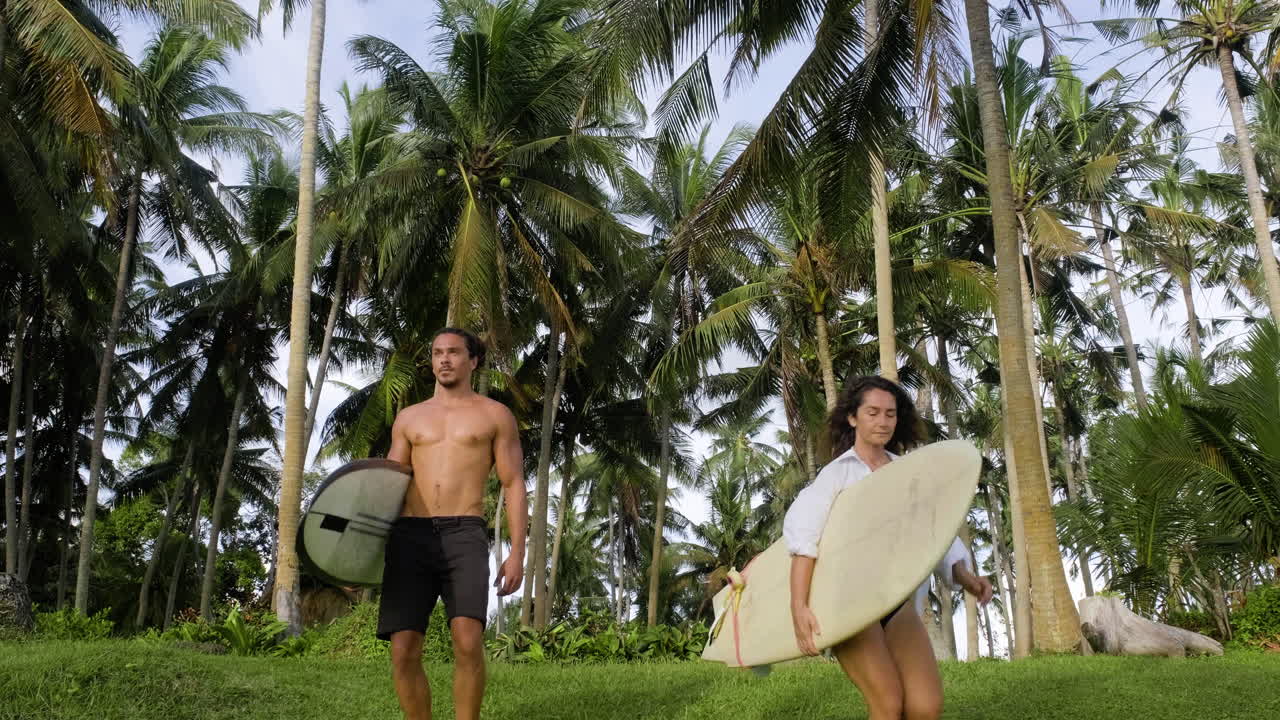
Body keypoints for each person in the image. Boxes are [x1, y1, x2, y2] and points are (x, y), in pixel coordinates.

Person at [784, 375, 993, 720]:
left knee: (926, 707)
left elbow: (933, 534)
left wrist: (965, 576)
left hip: (896, 602)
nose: (883, 422)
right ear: (853, 418)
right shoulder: (836, 476)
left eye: (890, 414)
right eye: (873, 412)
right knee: (888, 704)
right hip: (848, 602)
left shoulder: (907, 474)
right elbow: (804, 540)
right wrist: (799, 607)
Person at [380, 327, 528, 720]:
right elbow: (387, 483)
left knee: (467, 640)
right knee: (403, 648)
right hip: (410, 535)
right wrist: (357, 548)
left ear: (473, 360)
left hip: (465, 532)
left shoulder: (495, 415)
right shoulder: (409, 419)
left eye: (454, 353)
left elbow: (513, 484)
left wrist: (517, 554)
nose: (444, 359)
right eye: (437, 353)